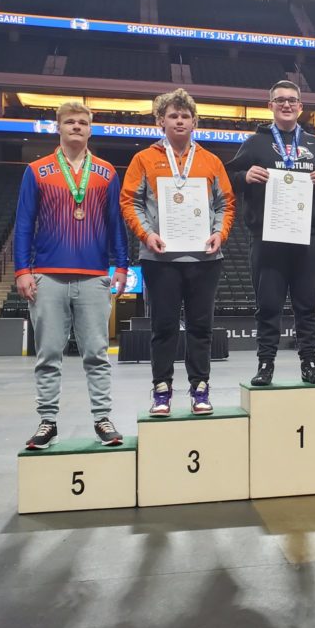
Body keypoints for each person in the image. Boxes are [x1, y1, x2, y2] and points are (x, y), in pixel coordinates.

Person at [15, 101, 129, 450]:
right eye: (70, 122)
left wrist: (121, 266)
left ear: (91, 129)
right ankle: (47, 420)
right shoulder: (37, 171)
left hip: (94, 275)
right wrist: (22, 270)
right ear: (58, 128)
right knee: (48, 354)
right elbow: (22, 223)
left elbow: (116, 225)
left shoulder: (107, 172)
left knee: (97, 352)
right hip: (47, 275)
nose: (76, 127)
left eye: (82, 122)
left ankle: (102, 418)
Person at [121, 88, 235, 415]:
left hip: (204, 257)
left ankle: (200, 388)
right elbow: (130, 201)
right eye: (173, 115)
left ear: (194, 121)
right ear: (161, 121)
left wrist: (219, 234)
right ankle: (162, 390)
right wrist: (147, 234)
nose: (180, 120)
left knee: (201, 327)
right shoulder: (143, 159)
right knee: (164, 327)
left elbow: (225, 203)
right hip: (160, 258)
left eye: (186, 116)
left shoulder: (211, 161)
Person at [229, 80, 315, 386]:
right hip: (268, 236)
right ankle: (266, 364)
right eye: (280, 100)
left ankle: (309, 363)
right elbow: (226, 177)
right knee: (268, 305)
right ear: (271, 106)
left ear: (301, 107)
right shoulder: (255, 143)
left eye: (292, 100)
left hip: (309, 236)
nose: (287, 105)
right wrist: (244, 175)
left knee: (307, 304)